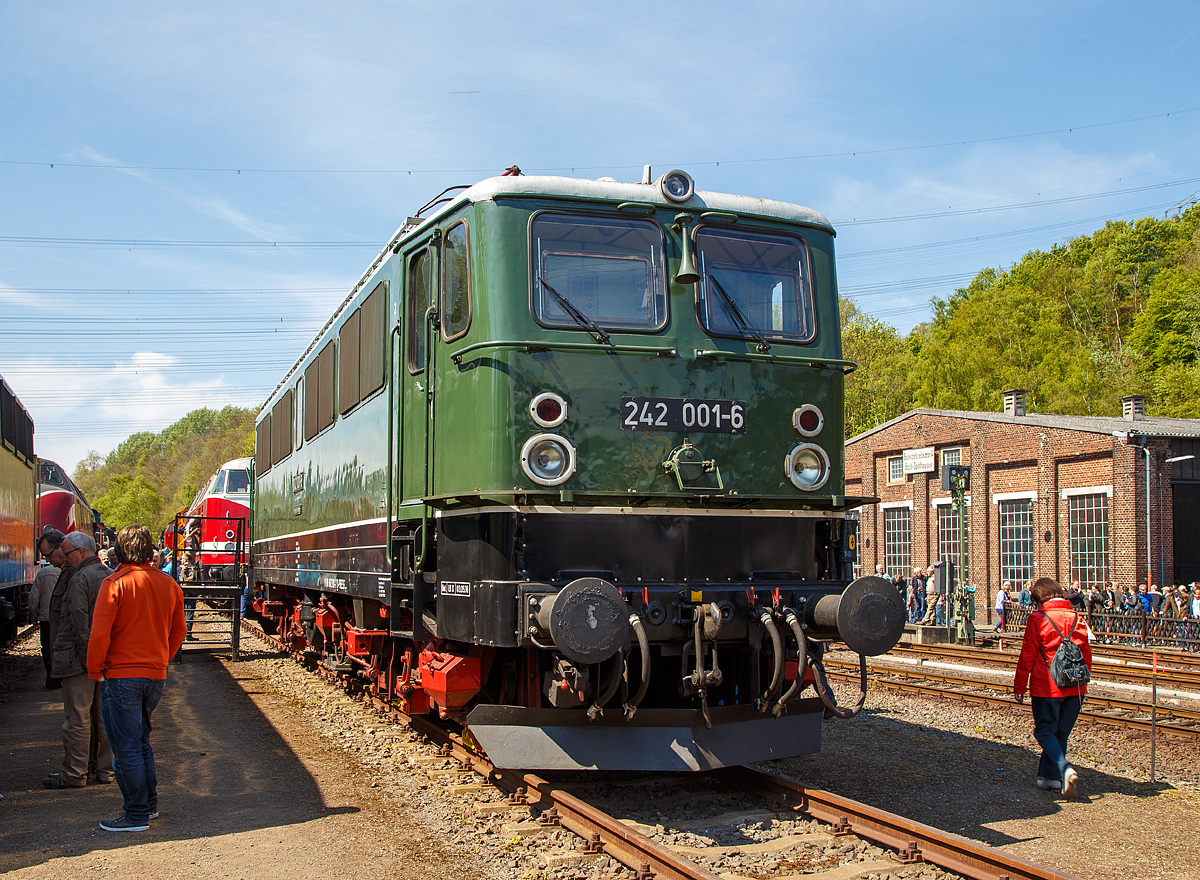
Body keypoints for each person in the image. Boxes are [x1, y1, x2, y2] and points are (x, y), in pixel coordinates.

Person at [87, 524, 186, 832]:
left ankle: (136, 815)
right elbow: (180, 631)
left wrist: (94, 670)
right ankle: (149, 806)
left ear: (119, 549)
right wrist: (162, 660)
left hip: (121, 676)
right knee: (141, 742)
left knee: (126, 747)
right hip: (154, 675)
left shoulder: (115, 583)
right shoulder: (168, 584)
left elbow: (99, 633)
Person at [44, 531, 114, 789]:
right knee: (103, 717)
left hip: (80, 659)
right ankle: (105, 770)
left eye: (68, 552)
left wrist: (88, 659)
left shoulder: (79, 578)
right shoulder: (109, 575)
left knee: (77, 717)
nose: (64, 557)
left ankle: (74, 772)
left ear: (82, 553)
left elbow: (79, 623)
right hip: (106, 657)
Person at [1013, 576, 1092, 798]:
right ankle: (1051, 779)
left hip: (1046, 685)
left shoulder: (1038, 618)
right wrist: (1082, 683)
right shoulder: (1078, 618)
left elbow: (1027, 655)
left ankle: (1064, 769)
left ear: (1038, 597)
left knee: (1044, 730)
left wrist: (1020, 685)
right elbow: (1086, 655)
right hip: (1075, 686)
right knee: (1060, 734)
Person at [27, 541, 63, 688]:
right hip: (61, 616)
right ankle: (61, 675)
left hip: (46, 616)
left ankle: (51, 676)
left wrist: (32, 614)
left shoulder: (42, 573)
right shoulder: (67, 571)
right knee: (60, 644)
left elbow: (34, 596)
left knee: (47, 645)